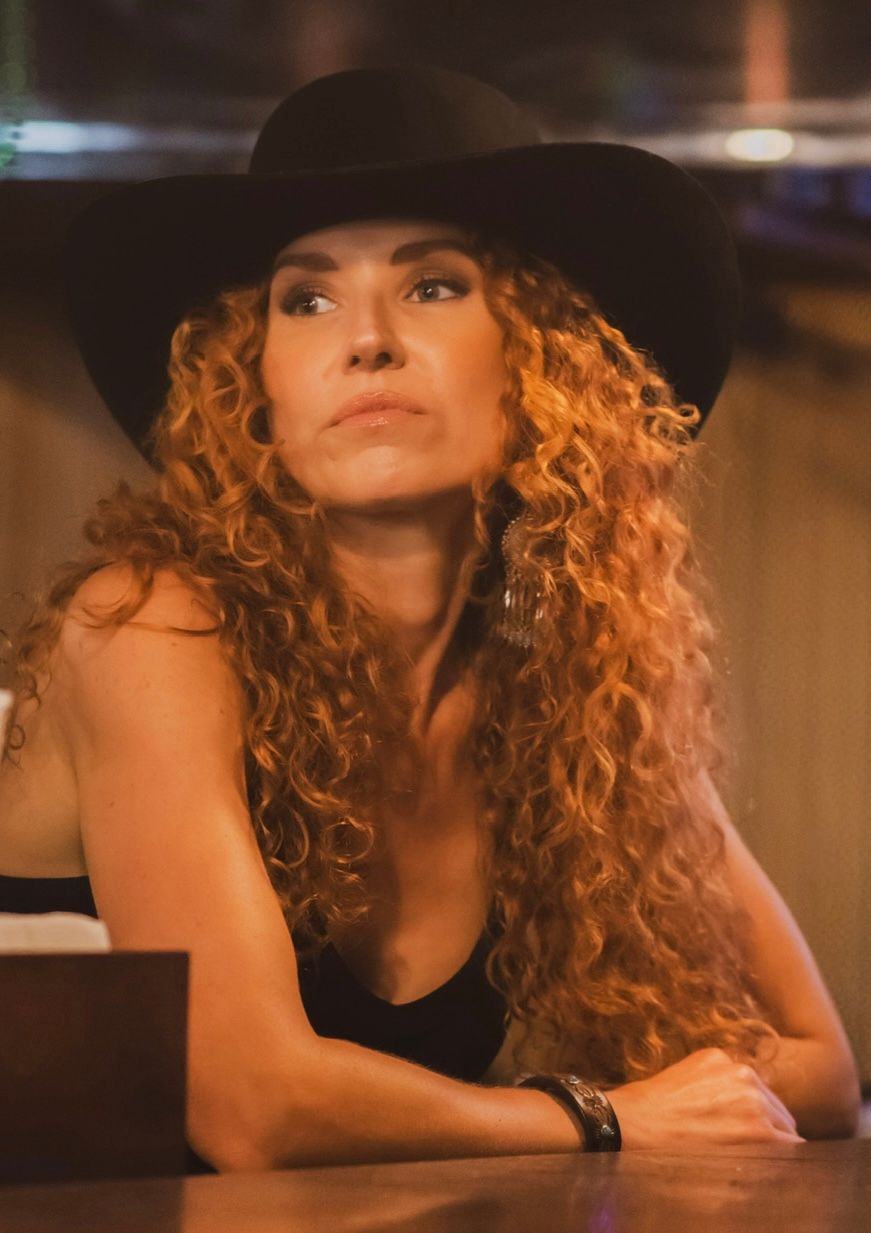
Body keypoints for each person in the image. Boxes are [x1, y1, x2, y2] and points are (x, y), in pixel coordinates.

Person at [0, 66, 860, 1174]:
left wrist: (626, 1106)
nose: (366, 340)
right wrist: (605, 1117)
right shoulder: (152, 628)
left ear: (542, 365)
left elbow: (818, 1070)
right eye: (306, 300)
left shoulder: (563, 696)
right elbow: (252, 1108)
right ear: (252, 385)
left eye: (434, 286)